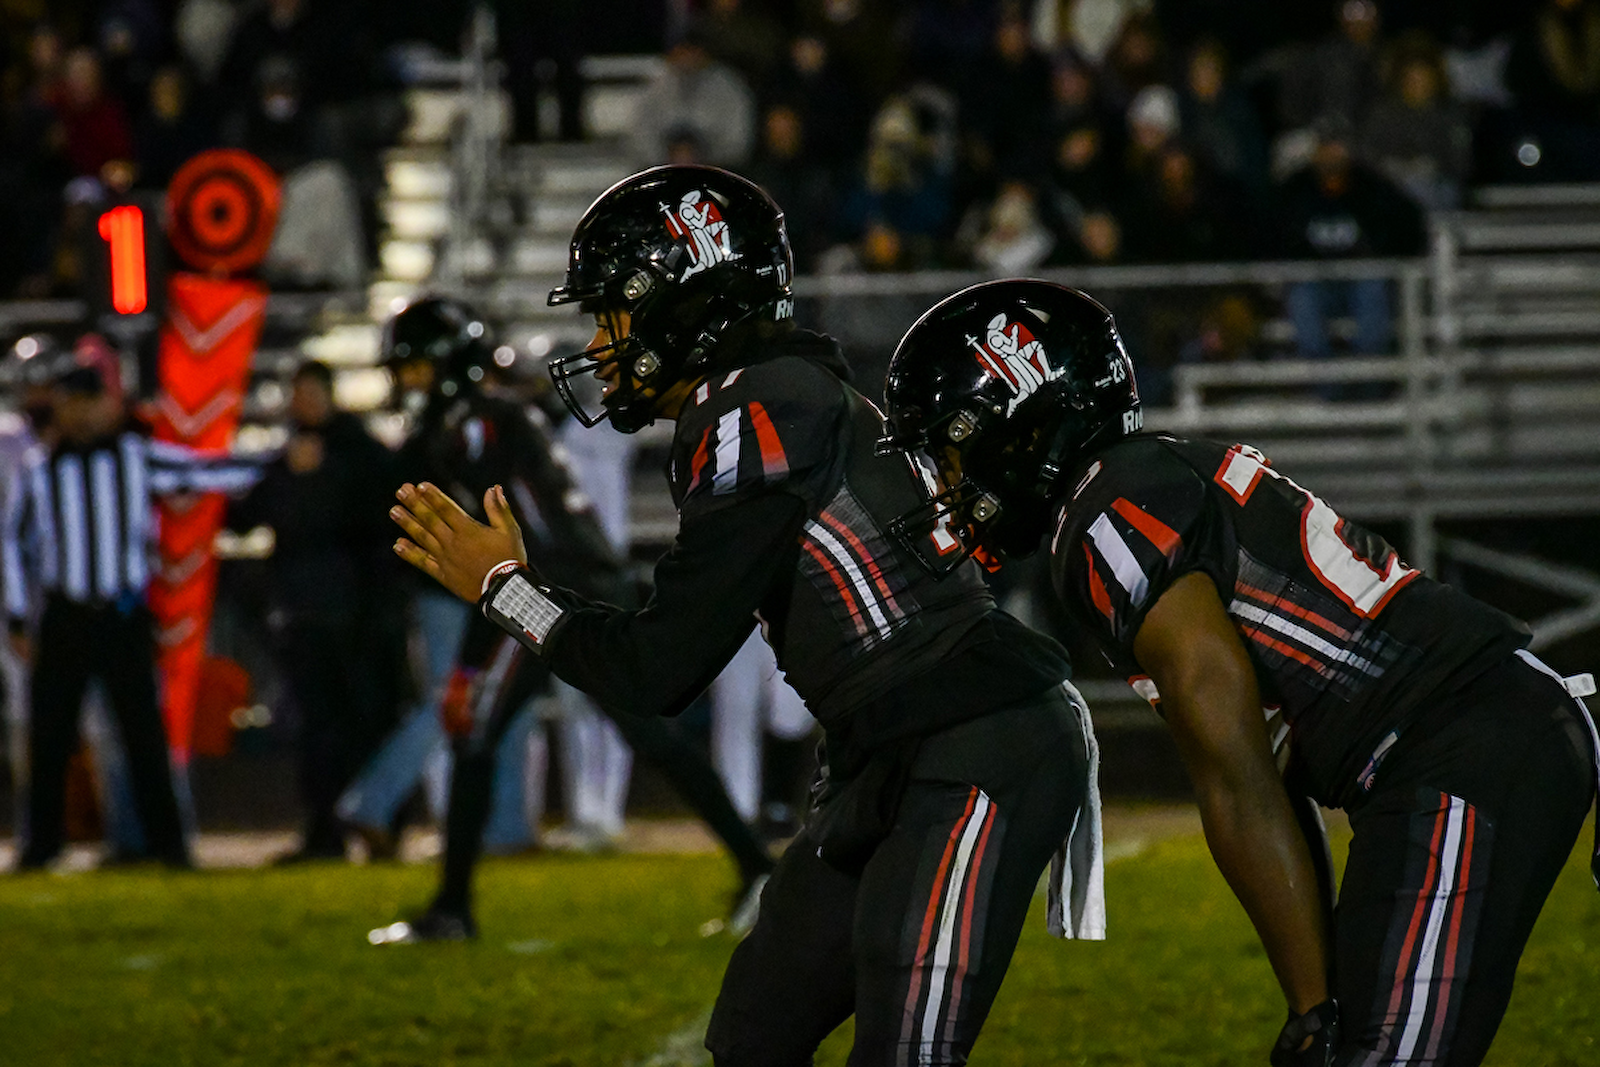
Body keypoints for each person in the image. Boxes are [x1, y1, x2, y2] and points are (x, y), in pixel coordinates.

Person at [389, 165, 1100, 1065]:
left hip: (975, 737)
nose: (601, 343)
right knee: (754, 1032)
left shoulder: (758, 403)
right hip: (887, 743)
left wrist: (506, 589)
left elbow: (660, 666)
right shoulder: (765, 393)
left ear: (683, 303)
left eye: (614, 313)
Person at [879, 278, 1600, 1067]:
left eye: (952, 451)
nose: (947, 484)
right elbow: (1271, 770)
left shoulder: (1107, 513)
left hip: (1459, 745)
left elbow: (1235, 770)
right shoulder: (1135, 483)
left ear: (1017, 425)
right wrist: (1315, 993)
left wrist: (1313, 1008)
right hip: (1462, 736)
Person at [366, 296, 775, 943]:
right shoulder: (489, 417)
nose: (406, 382)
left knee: (476, 722)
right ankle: (758, 868)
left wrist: (495, 614)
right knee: (645, 733)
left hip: (546, 583)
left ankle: (451, 908)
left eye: (415, 367)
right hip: (574, 578)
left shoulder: (477, 423)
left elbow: (505, 531)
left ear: (446, 365)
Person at [2, 360, 259, 871]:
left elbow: (204, 471)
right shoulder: (38, 468)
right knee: (50, 737)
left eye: (89, 402)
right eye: (71, 402)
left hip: (122, 614)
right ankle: (41, 845)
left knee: (144, 735)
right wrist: (16, 617)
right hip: (66, 613)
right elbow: (12, 542)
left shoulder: (136, 457)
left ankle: (170, 845)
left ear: (108, 404)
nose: (81, 414)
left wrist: (274, 465)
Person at [227, 360, 403, 862]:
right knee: (319, 729)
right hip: (308, 613)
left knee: (363, 721)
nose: (302, 404)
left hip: (356, 615)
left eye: (310, 393)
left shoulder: (359, 454)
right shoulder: (289, 457)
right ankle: (326, 831)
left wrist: (309, 481)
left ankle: (377, 824)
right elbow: (248, 515)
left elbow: (366, 523)